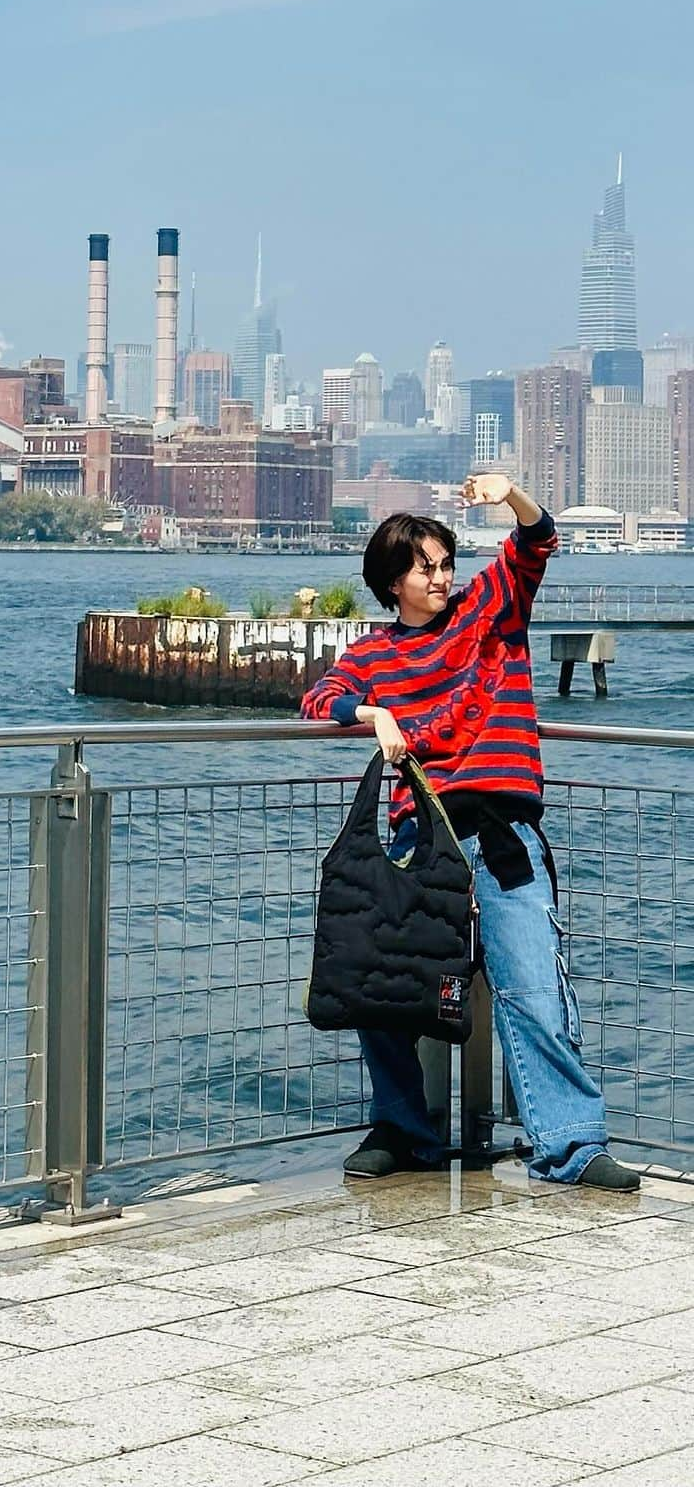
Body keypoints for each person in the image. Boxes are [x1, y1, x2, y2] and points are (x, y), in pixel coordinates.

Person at [301, 473, 639, 1191]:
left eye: (447, 561)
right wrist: (374, 716)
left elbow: (538, 539)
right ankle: (402, 1127)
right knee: (386, 983)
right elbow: (318, 697)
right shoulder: (373, 655)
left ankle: (571, 1144)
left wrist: (510, 492)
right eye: (427, 566)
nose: (443, 575)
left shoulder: (491, 608)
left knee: (533, 988)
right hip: (419, 843)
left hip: (501, 833)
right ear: (393, 580)